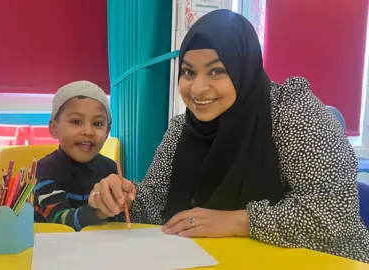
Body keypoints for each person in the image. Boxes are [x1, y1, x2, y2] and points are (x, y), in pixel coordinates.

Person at [88, 10, 369, 262]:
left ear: (243, 67)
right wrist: (122, 199)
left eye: (217, 71)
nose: (197, 88)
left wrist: (239, 222)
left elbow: (334, 214)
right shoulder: (181, 130)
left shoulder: (291, 111)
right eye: (188, 72)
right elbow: (157, 209)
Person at [34, 81, 117, 231]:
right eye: (76, 121)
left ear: (107, 131)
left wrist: (125, 201)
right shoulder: (44, 170)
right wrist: (99, 212)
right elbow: (61, 220)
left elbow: (116, 221)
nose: (88, 131)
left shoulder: (110, 168)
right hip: (52, 249)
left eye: (98, 123)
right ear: (54, 128)